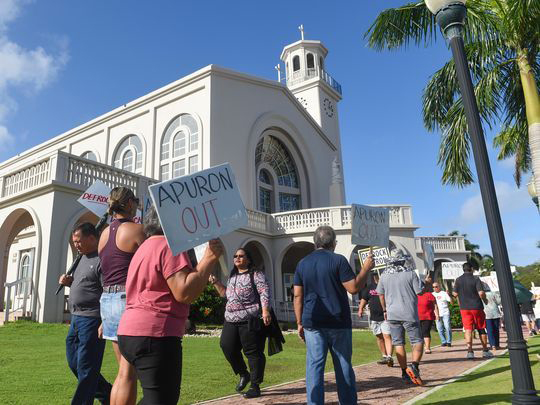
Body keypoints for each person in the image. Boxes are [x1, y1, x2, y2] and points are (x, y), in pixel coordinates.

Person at [117, 205, 223, 404]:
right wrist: (208, 259)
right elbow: (184, 292)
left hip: (129, 332)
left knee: (152, 395)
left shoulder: (144, 247)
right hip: (156, 334)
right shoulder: (169, 245)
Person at [293, 226, 374, 405]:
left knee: (315, 367)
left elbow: (298, 295)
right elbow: (353, 288)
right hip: (338, 321)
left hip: (312, 321)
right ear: (334, 243)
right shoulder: (338, 260)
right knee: (343, 365)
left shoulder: (302, 263)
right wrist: (365, 268)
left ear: (315, 243)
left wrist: (299, 322)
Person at [98, 186, 145, 405]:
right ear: (127, 204)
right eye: (135, 200)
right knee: (128, 373)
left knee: (123, 371)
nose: (137, 204)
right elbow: (151, 263)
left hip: (107, 301)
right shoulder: (136, 230)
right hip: (126, 300)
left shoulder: (104, 234)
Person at [59, 222, 112, 405]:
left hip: (92, 319)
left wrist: (105, 319)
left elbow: (108, 291)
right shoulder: (81, 258)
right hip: (76, 318)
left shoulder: (102, 259)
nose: (76, 244)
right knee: (75, 363)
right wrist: (69, 282)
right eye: (74, 241)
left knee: (87, 367)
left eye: (78, 241)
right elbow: (84, 284)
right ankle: (108, 394)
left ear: (91, 238)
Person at [209, 248, 272, 399]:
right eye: (235, 256)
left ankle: (255, 386)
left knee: (253, 353)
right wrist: (215, 282)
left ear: (248, 259)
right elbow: (226, 294)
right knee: (227, 346)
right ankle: (244, 373)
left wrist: (265, 311)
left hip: (249, 319)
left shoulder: (256, 274)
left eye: (241, 256)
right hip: (230, 319)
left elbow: (264, 291)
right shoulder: (232, 276)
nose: (237, 258)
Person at [377, 248, 424, 386]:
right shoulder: (410, 274)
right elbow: (419, 292)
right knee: (417, 341)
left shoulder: (384, 276)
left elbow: (380, 294)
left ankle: (404, 372)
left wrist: (385, 309)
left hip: (392, 313)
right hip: (409, 312)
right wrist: (425, 282)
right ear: (403, 260)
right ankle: (414, 366)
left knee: (398, 343)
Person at [453, 262, 493, 359]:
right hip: (476, 307)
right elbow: (481, 293)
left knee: (468, 329)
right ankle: (485, 350)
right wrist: (485, 300)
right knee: (481, 328)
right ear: (471, 269)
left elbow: (454, 293)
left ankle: (470, 351)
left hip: (464, 308)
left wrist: (460, 302)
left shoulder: (458, 280)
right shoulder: (476, 279)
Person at [358, 271, 394, 366]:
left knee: (387, 336)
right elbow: (364, 298)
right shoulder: (370, 287)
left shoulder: (387, 286)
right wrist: (360, 309)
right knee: (379, 337)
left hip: (385, 316)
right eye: (374, 275)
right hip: (374, 317)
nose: (376, 277)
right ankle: (384, 356)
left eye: (377, 275)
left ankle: (390, 356)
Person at [417, 281, 438, 354]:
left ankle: (427, 348)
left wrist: (437, 314)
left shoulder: (429, 295)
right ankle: (420, 347)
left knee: (425, 331)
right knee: (419, 333)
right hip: (417, 317)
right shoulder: (414, 295)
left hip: (427, 316)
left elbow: (435, 305)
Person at [432, 281, 453, 347]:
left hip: (445, 312)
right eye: (433, 287)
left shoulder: (444, 293)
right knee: (439, 328)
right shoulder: (432, 294)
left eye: (436, 287)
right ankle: (443, 341)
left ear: (439, 287)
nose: (435, 288)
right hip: (436, 313)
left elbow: (451, 302)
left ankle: (449, 341)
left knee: (447, 327)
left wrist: (449, 295)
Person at [483, 284, 503, 350]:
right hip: (495, 313)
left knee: (489, 330)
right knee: (496, 329)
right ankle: (497, 344)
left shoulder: (481, 295)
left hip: (486, 314)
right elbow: (499, 302)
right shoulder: (493, 293)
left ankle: (492, 345)